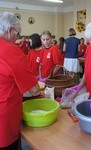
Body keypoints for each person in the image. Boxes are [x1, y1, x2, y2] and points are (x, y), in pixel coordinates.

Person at [0, 12, 40, 149]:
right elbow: (34, 90)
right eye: (18, 34)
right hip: (4, 120)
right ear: (10, 30)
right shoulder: (11, 51)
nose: (17, 39)